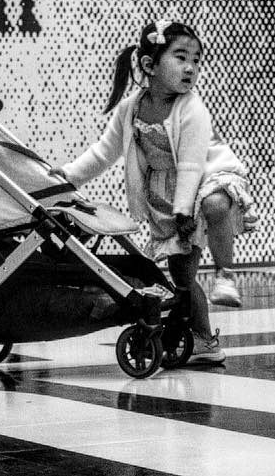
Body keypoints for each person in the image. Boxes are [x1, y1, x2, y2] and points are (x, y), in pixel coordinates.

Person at [62, 20, 259, 364]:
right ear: (149, 65)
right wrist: (65, 179)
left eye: (197, 60)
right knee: (182, 278)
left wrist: (184, 208)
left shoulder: (191, 109)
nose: (191, 67)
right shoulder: (130, 110)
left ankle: (226, 276)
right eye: (181, 57)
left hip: (208, 176)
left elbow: (192, 166)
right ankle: (202, 340)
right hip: (169, 196)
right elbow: (103, 153)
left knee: (215, 204)